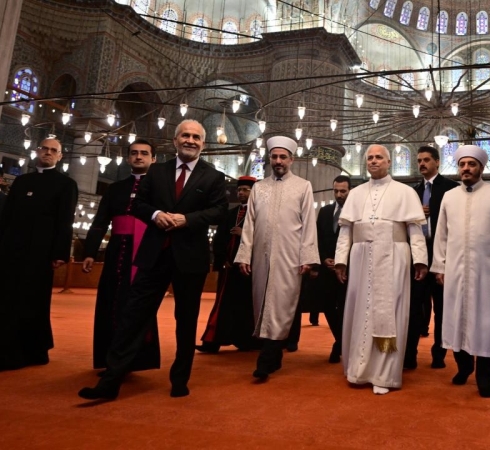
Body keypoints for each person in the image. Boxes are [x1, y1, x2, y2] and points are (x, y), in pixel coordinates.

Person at [78, 119, 228, 400]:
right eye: (185, 135)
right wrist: (156, 215)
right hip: (154, 255)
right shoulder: (157, 171)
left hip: (190, 259)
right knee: (133, 317)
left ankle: (180, 379)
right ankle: (110, 382)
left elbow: (219, 211)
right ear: (175, 140)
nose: (190, 140)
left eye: (196, 137)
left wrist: (188, 219)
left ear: (203, 144)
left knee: (186, 321)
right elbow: (138, 205)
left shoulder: (213, 177)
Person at [432, 145, 490, 398]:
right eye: (462, 164)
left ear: (481, 168)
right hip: (455, 270)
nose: (466, 168)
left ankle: (486, 378)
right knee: (456, 320)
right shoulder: (449, 196)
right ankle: (464, 368)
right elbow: (441, 234)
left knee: (486, 323)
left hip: (488, 271)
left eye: (471, 164)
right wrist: (439, 265)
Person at [334, 144, 428, 395]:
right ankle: (358, 369)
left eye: (378, 157)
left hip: (394, 255)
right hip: (361, 257)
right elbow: (345, 231)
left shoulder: (405, 192)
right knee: (360, 311)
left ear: (388, 162)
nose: (373, 161)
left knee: (391, 312)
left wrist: (420, 260)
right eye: (370, 158)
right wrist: (341, 261)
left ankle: (384, 374)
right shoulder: (355, 194)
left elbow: (415, 230)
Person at [234, 136, 319, 381]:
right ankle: (274, 354)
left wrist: (307, 257)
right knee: (262, 303)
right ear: (269, 159)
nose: (278, 161)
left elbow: (309, 224)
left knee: (282, 305)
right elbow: (249, 224)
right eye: (274, 157)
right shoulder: (259, 188)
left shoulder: (303, 186)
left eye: (283, 157)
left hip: (289, 257)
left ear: (292, 160)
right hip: (260, 257)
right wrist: (245, 254)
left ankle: (265, 360)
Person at [82, 139, 160, 373]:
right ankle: (109, 359)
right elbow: (100, 222)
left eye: (144, 153)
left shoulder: (159, 189)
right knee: (110, 301)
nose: (139, 157)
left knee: (137, 304)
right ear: (127, 158)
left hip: (145, 254)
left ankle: (135, 359)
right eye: (134, 153)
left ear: (153, 159)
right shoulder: (115, 189)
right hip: (116, 252)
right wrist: (90, 252)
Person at [0, 138, 78, 371]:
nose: (48, 152)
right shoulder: (22, 181)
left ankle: (34, 351)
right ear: (37, 151)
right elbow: (6, 216)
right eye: (45, 148)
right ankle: (8, 350)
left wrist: (60, 252)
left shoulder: (66, 184)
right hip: (11, 249)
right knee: (7, 299)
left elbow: (65, 220)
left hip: (41, 252)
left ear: (60, 156)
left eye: (54, 150)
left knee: (34, 300)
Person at [405, 145, 459, 370]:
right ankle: (410, 354)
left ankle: (439, 354)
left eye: (426, 160)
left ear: (437, 162)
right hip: (418, 257)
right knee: (413, 307)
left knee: (442, 309)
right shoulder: (412, 192)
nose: (422, 164)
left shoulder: (451, 189)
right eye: (419, 160)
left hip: (443, 257)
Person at [196, 176, 259, 354]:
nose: (241, 193)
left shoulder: (260, 214)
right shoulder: (231, 214)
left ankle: (246, 341)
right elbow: (219, 239)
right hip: (230, 269)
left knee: (246, 305)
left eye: (245, 190)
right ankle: (213, 342)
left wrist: (244, 233)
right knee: (222, 305)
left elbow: (266, 240)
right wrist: (222, 259)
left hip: (249, 270)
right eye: (239, 190)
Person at [315, 175, 351, 363]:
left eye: (343, 191)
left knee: (345, 308)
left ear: (350, 191)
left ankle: (339, 345)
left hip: (347, 270)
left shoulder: (356, 212)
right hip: (326, 270)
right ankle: (341, 341)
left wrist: (342, 261)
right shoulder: (325, 211)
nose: (339, 194)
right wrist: (323, 259)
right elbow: (318, 238)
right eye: (336, 191)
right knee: (328, 306)